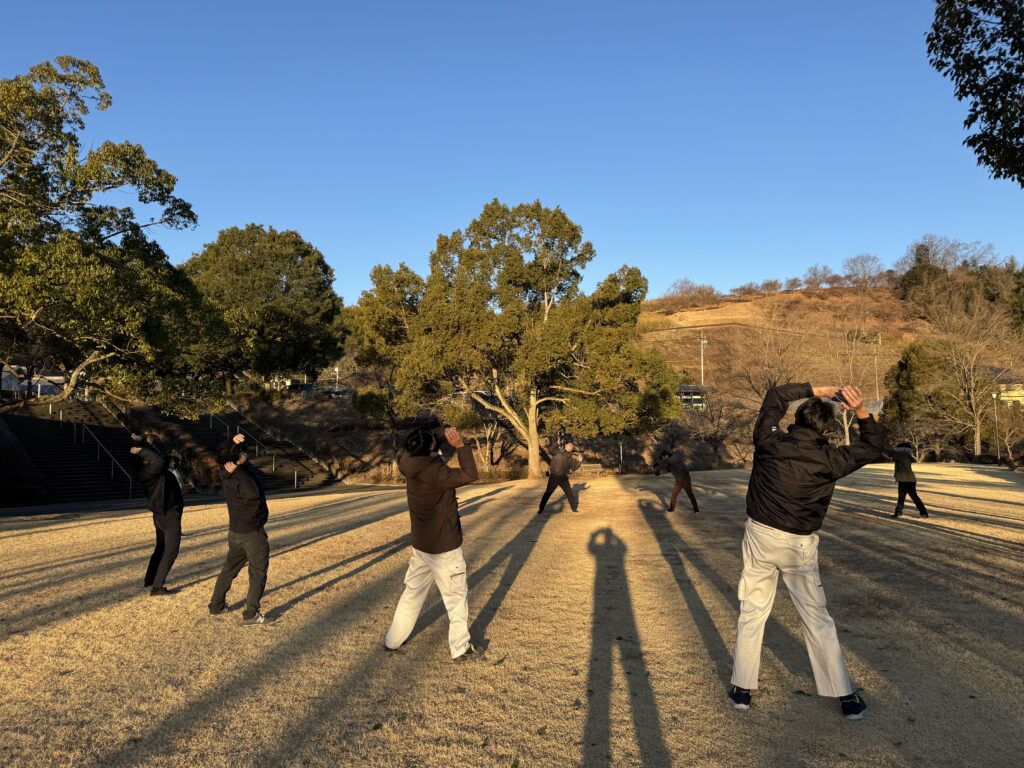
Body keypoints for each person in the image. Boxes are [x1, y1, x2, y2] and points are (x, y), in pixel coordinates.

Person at [728, 384, 884, 720]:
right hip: (799, 544)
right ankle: (845, 697)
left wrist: (817, 388)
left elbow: (774, 397)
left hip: (760, 535)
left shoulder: (769, 442)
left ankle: (742, 690)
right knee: (816, 618)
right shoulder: (831, 459)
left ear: (796, 418)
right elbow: (872, 446)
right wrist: (860, 410)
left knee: (752, 611)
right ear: (826, 429)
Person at [384, 426, 480, 661]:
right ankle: (460, 648)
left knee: (412, 594)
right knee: (456, 599)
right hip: (445, 548)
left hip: (421, 546)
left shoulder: (410, 466)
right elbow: (470, 475)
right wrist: (460, 447)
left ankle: (393, 640)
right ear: (431, 450)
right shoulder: (436, 473)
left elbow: (426, 443)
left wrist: (440, 434)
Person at [209, 434, 272, 626]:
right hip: (252, 533)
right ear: (238, 458)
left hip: (235, 531)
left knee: (229, 568)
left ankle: (216, 606)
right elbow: (255, 498)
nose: (247, 455)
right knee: (258, 571)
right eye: (244, 453)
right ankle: (251, 613)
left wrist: (234, 443)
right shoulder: (243, 477)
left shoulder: (224, 471)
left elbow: (224, 454)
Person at [129, 433, 184, 596]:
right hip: (168, 514)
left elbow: (155, 460)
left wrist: (138, 443)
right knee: (171, 551)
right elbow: (158, 461)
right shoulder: (152, 473)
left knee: (161, 547)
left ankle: (150, 579)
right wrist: (140, 450)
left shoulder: (149, 473)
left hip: (161, 514)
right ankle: (157, 587)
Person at [537, 441, 582, 514]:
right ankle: (541, 509)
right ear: (565, 446)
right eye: (569, 445)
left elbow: (574, 468)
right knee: (548, 493)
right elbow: (550, 450)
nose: (570, 446)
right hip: (554, 477)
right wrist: (556, 443)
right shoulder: (558, 452)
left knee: (569, 493)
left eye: (571, 446)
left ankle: (574, 509)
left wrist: (579, 462)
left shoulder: (571, 458)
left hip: (564, 478)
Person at [886, 443, 929, 518]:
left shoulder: (901, 455)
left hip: (907, 480)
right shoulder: (908, 455)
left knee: (912, 497)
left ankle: (923, 513)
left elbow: (889, 453)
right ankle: (899, 512)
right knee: (903, 497)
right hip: (907, 480)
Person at [653, 449, 700, 513]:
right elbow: (667, 469)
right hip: (678, 480)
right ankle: (671, 508)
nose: (663, 459)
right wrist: (659, 472)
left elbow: (665, 462)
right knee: (674, 494)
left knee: (690, 494)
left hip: (685, 478)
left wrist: (658, 464)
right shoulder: (670, 462)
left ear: (666, 455)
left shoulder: (674, 458)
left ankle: (696, 509)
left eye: (663, 457)